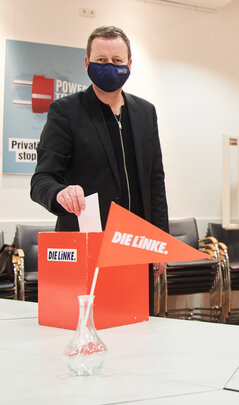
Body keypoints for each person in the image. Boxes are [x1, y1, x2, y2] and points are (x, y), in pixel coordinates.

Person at [30, 26, 168, 315]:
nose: (109, 67)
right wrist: (59, 193)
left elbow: (155, 180)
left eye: (117, 61)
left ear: (130, 65)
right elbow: (42, 179)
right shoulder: (66, 112)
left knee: (138, 336)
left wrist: (159, 240)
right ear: (86, 63)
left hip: (134, 248)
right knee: (87, 334)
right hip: (87, 249)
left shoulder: (145, 112)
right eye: (101, 60)